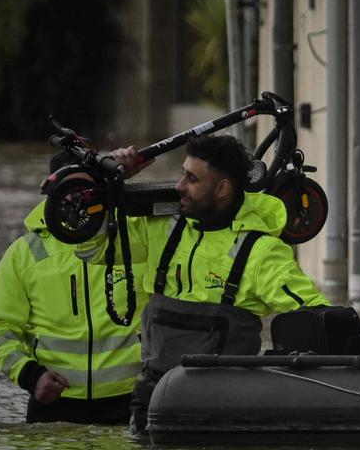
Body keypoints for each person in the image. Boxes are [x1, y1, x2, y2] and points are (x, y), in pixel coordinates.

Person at [130, 134, 329, 433]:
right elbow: (88, 246)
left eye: (192, 178)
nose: (179, 186)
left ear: (222, 188)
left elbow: (317, 313)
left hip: (219, 407)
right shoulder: (160, 227)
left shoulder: (261, 251)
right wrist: (107, 180)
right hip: (152, 399)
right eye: (182, 174)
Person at [0, 151, 147, 424]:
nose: (77, 198)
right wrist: (30, 376)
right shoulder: (25, 253)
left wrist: (123, 182)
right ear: (52, 191)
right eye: (69, 189)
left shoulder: (136, 238)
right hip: (54, 402)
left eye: (87, 189)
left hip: (132, 399)